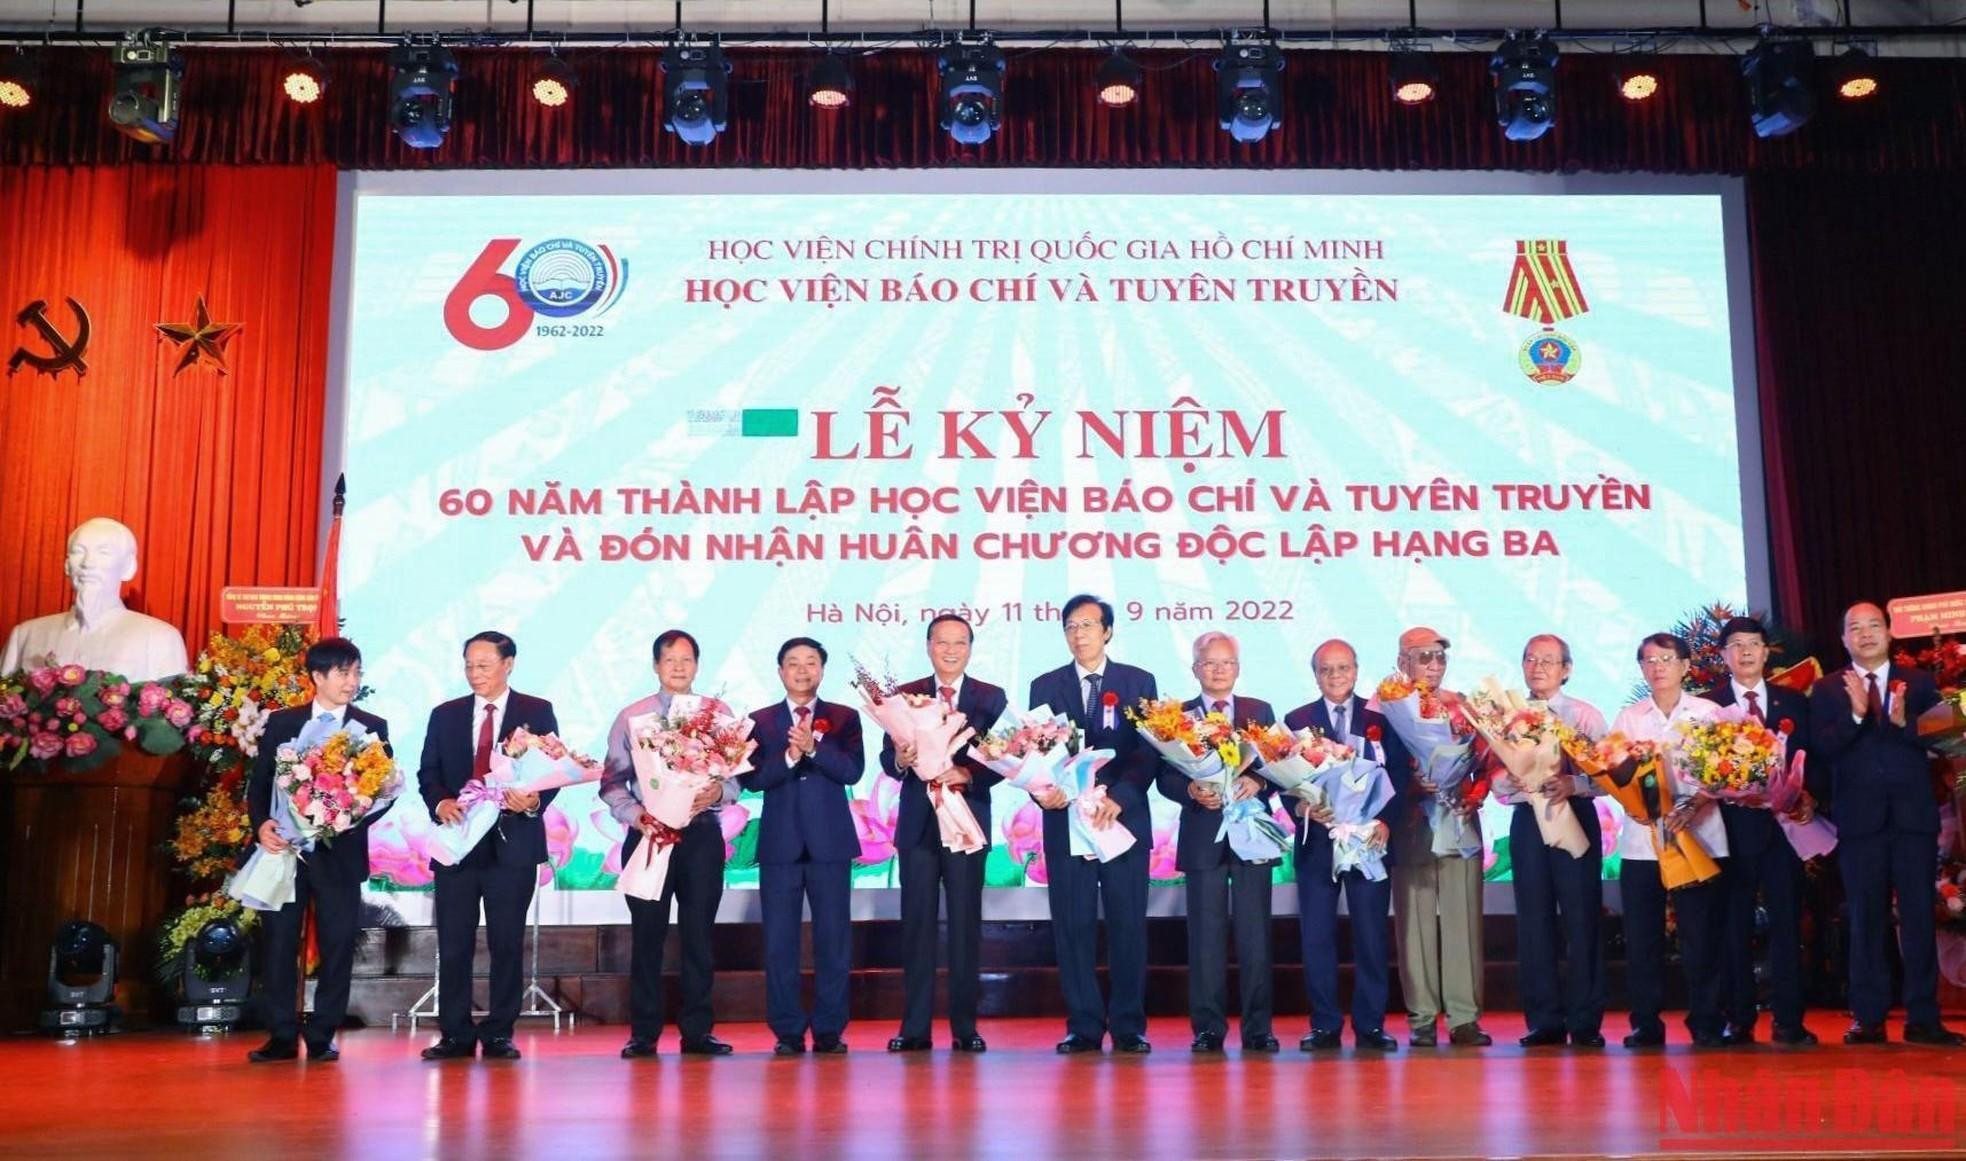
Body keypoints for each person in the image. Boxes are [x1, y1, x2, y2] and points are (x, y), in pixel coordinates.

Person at [1812, 602, 1962, 1046]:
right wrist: (1858, 715)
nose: (1865, 634)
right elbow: (1823, 749)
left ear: (1890, 632)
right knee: (1866, 918)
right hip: (1860, 823)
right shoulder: (1826, 689)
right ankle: (1869, 1017)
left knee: (1918, 917)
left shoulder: (1918, 683)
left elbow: (1947, 735)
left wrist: (1902, 724)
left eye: (1873, 625)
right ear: (1843, 639)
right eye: (1854, 628)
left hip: (1913, 819)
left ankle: (1923, 1018)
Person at [245, 637, 390, 1063]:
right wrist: (262, 825)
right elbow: (260, 785)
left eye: (357, 672)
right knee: (278, 943)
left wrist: (347, 817)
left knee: (338, 943)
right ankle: (282, 1035)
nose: (352, 681)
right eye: (343, 673)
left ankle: (324, 1033)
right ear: (317, 677)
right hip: (285, 851)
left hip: (338, 855)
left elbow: (383, 790)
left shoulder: (371, 725)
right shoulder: (283, 723)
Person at [417, 631, 560, 1061]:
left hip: (511, 846)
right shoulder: (445, 714)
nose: (474, 674)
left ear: (508, 663)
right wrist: (440, 801)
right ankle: (455, 1033)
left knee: (506, 941)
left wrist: (534, 799)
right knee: (455, 942)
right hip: (458, 845)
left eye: (483, 665)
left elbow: (552, 769)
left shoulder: (536, 711)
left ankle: (499, 1031)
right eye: (468, 665)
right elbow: (429, 772)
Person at [1026, 594, 1160, 1054]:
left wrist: (1120, 799)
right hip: (1068, 820)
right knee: (1073, 923)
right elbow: (1035, 751)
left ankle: (1128, 1025)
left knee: (1127, 923)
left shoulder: (1138, 681)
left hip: (1120, 820)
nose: (1078, 634)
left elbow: (1148, 751)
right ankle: (1083, 1024)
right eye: (1070, 626)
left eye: (1087, 625)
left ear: (1108, 631)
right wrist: (1046, 790)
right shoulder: (1045, 685)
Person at [598, 630, 739, 1058]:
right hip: (648, 836)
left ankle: (697, 1032)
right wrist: (635, 815)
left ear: (697, 665)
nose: (678, 667)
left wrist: (717, 794)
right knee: (647, 936)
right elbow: (612, 782)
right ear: (656, 666)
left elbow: (734, 779)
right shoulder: (633, 717)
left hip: (700, 836)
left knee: (699, 936)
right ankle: (644, 1033)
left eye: (687, 659)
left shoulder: (717, 714)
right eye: (669, 660)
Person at [879, 614, 1008, 1054]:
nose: (950, 650)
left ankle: (965, 1028)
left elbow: (1000, 759)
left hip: (966, 822)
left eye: (959, 642)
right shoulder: (904, 696)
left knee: (965, 926)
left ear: (970, 647)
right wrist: (900, 757)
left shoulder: (990, 696)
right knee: (916, 927)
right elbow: (886, 761)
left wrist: (966, 773)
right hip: (918, 824)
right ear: (928, 645)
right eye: (941, 642)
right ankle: (914, 1027)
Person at [1154, 630, 1279, 1053]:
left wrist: (1256, 781)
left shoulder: (1259, 710)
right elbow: (1165, 775)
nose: (1219, 670)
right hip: (1203, 837)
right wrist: (1189, 790)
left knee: (1256, 936)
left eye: (1226, 663)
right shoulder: (1177, 717)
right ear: (1195, 669)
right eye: (1210, 663)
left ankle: (1259, 1029)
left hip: (1252, 837)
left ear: (1238, 669)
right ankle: (1208, 1028)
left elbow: (1278, 767)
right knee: (1205, 939)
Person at [743, 637, 865, 1054]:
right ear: (780, 671)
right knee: (779, 942)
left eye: (810, 662)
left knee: (834, 940)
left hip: (831, 844)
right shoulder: (758, 722)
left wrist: (815, 748)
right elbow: (753, 780)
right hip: (780, 846)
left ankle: (830, 1028)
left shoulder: (845, 718)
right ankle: (788, 1030)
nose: (802, 670)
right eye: (792, 663)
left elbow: (852, 772)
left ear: (822, 669)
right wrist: (791, 759)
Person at [1283, 638, 1405, 1052]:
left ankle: (1371, 1024)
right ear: (1315, 674)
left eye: (1343, 668)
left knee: (1371, 935)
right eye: (1326, 669)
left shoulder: (1384, 716)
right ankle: (1324, 1025)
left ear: (1356, 670)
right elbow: (1284, 781)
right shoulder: (1297, 719)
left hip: (1368, 840)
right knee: (1317, 937)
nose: (1336, 676)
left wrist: (1387, 821)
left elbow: (1402, 776)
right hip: (1318, 842)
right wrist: (1301, 805)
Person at [1703, 616, 1818, 1047]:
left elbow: (1814, 758)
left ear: (1767, 652)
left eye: (1753, 644)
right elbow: (1697, 768)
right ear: (1723, 655)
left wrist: (1809, 797)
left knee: (1787, 924)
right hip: (1729, 831)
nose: (1746, 652)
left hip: (1783, 831)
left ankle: (1789, 1020)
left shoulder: (1794, 701)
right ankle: (1740, 1020)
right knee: (1733, 927)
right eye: (1736, 645)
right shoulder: (1709, 706)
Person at [1609, 633, 1729, 1049]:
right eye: (1648, 661)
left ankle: (1707, 1021)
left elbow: (1727, 769)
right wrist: (1628, 796)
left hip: (1697, 837)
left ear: (1685, 665)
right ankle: (1645, 1022)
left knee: (1700, 935)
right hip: (1643, 844)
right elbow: (1612, 771)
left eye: (1665, 659)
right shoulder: (1629, 717)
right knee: (1642, 938)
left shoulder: (1709, 712)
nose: (1657, 667)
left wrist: (1697, 801)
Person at [1384, 626, 1489, 1047]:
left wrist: (1476, 795)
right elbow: (1376, 773)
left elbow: (1487, 762)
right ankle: (1422, 1017)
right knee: (1415, 922)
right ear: (1402, 663)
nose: (1433, 665)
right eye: (1423, 657)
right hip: (1412, 823)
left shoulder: (1464, 708)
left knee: (1464, 918)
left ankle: (1464, 1017)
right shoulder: (1387, 709)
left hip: (1460, 819)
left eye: (1439, 657)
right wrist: (1411, 787)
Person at [1503, 634, 1608, 1049]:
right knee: (1534, 921)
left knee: (1582, 918)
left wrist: (1575, 782)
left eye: (1549, 660)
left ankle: (1585, 1021)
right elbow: (1491, 776)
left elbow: (1609, 777)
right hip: (1528, 820)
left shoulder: (1584, 715)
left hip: (1574, 816)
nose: (1538, 667)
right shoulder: (1507, 717)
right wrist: (1508, 780)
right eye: (1530, 659)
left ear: (1567, 669)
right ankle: (1544, 1019)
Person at [0, 516, 187, 681]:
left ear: (128, 567)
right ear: (67, 565)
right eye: (78, 551)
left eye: (104, 552)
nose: (88, 563)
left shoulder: (160, 639)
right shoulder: (25, 636)